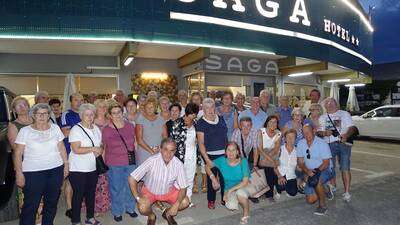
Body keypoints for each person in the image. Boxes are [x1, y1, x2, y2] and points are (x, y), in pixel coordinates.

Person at [14, 103, 68, 225]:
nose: (43, 116)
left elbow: (62, 147)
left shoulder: (55, 128)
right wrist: (19, 173)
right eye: (39, 114)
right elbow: (17, 154)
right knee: (31, 205)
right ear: (33, 115)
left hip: (55, 170)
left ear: (49, 115)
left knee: (51, 203)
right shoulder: (25, 131)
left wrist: (66, 165)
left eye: (45, 113)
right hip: (33, 173)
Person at [128, 138, 190, 225]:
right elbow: (132, 178)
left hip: (168, 192)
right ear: (160, 149)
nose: (168, 154)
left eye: (172, 150)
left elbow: (183, 188)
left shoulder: (178, 164)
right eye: (165, 149)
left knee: (185, 202)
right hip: (150, 191)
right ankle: (151, 215)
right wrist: (138, 198)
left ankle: (167, 213)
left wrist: (176, 205)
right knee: (142, 208)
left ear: (175, 151)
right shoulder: (152, 160)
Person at [102, 102, 138, 222]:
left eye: (119, 112)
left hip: (130, 162)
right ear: (110, 115)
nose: (117, 115)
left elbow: (135, 142)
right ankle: (117, 211)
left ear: (122, 113)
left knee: (130, 186)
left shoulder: (130, 126)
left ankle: (130, 208)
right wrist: (102, 163)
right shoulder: (106, 130)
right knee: (116, 188)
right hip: (114, 163)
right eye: (114, 113)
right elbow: (104, 147)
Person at [318, 97, 357, 202]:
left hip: (343, 143)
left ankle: (347, 192)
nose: (330, 105)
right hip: (328, 144)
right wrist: (324, 133)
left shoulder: (344, 114)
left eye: (332, 103)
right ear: (325, 106)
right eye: (328, 104)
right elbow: (319, 132)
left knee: (345, 167)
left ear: (337, 104)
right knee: (330, 167)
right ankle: (332, 186)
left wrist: (346, 135)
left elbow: (352, 128)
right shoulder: (322, 117)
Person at [68, 104, 102, 225]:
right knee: (78, 194)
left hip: (92, 167)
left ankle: (90, 217)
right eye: (86, 114)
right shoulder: (75, 129)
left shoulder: (96, 128)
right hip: (78, 168)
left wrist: (99, 150)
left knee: (91, 193)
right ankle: (75, 220)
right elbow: (76, 149)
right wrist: (93, 149)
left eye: (92, 114)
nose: (89, 117)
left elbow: (100, 145)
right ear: (81, 115)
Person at [206, 142, 251, 225]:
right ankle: (237, 199)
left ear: (237, 152)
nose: (231, 153)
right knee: (231, 206)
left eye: (233, 150)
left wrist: (229, 191)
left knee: (240, 193)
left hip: (243, 186)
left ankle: (246, 213)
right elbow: (207, 166)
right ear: (225, 152)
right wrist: (213, 178)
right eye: (228, 150)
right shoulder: (222, 160)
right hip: (229, 188)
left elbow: (245, 182)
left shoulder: (243, 161)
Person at [196, 98, 228, 209]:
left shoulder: (221, 118)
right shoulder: (200, 123)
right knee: (212, 179)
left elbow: (225, 136)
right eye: (207, 107)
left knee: (225, 178)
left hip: (224, 154)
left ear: (215, 107)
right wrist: (206, 159)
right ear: (203, 109)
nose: (210, 110)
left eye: (212, 107)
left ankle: (225, 198)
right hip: (210, 155)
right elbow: (200, 143)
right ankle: (211, 200)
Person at [164, 103, 199, 205]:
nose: (194, 116)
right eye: (192, 114)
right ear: (188, 112)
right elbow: (172, 141)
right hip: (180, 154)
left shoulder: (195, 123)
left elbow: (196, 138)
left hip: (192, 154)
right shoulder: (177, 123)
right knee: (178, 178)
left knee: (190, 176)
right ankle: (176, 199)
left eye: (195, 114)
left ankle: (188, 199)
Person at [297, 124, 334, 215]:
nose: (306, 135)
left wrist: (315, 172)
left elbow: (326, 162)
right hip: (309, 171)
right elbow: (300, 162)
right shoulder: (301, 143)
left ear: (313, 131)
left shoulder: (322, 143)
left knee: (317, 181)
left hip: (324, 169)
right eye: (304, 133)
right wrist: (307, 171)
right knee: (310, 200)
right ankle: (325, 189)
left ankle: (322, 206)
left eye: (308, 132)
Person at [61, 93, 83, 217]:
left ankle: (80, 204)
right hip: (71, 152)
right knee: (70, 181)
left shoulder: (86, 112)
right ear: (71, 102)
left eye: (81, 100)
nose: (79, 102)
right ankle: (70, 208)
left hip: (85, 152)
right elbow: (65, 133)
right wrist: (82, 129)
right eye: (76, 100)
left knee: (82, 181)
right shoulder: (66, 114)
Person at [255, 115, 281, 202]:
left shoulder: (278, 133)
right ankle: (268, 193)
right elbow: (260, 149)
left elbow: (276, 148)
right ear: (267, 123)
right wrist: (270, 160)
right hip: (262, 154)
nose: (273, 124)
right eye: (271, 122)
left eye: (275, 122)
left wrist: (270, 158)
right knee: (269, 170)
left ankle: (269, 194)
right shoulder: (261, 131)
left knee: (271, 170)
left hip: (272, 154)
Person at [93, 99, 111, 216]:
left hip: (109, 152)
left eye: (105, 106)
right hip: (95, 154)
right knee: (95, 182)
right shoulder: (91, 120)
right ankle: (95, 207)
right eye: (100, 106)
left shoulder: (110, 120)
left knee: (106, 181)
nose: (103, 108)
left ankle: (105, 205)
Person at [135, 98, 165, 165]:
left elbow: (165, 137)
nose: (149, 109)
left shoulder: (161, 119)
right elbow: (139, 140)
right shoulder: (140, 119)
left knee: (157, 173)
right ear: (144, 108)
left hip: (159, 151)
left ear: (155, 108)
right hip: (144, 152)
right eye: (147, 107)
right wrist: (151, 151)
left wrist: (160, 148)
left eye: (152, 107)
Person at [189, 92, 206, 193]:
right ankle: (194, 183)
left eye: (198, 99)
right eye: (194, 99)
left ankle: (204, 183)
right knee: (193, 163)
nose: (196, 101)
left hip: (203, 140)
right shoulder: (188, 111)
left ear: (201, 101)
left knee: (204, 161)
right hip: (192, 141)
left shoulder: (204, 112)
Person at [274, 129, 298, 197]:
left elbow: (299, 166)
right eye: (288, 137)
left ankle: (286, 187)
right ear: (285, 139)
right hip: (280, 173)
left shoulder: (297, 151)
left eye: (293, 137)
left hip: (291, 175)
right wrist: (279, 176)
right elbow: (274, 166)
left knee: (293, 192)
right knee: (280, 186)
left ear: (295, 139)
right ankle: (277, 188)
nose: (290, 139)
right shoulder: (280, 149)